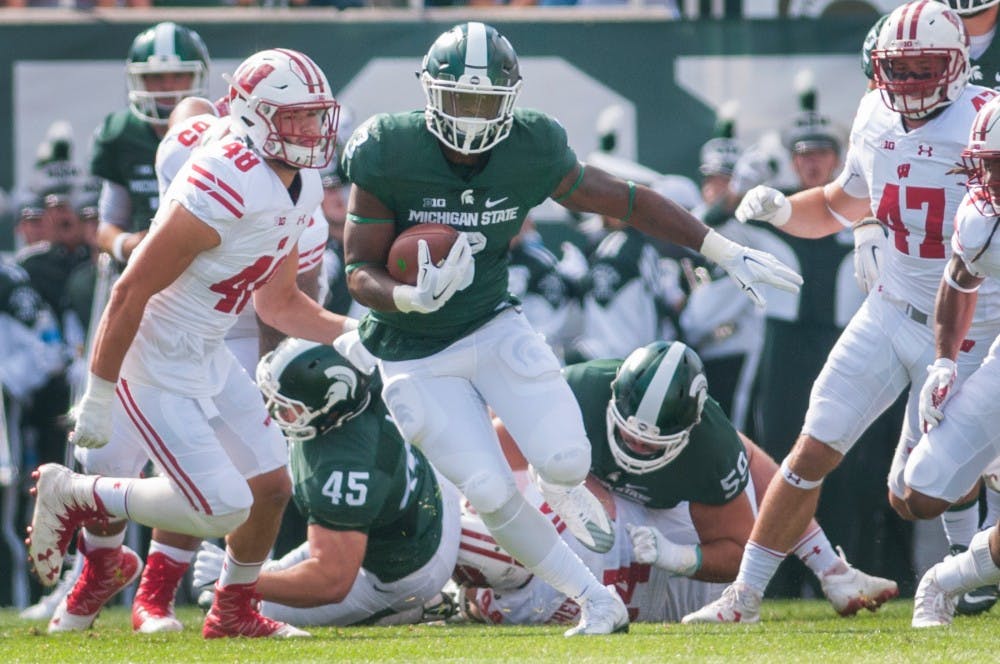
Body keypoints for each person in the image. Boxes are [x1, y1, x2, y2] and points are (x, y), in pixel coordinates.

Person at [340, 21, 801, 637]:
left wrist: (717, 248)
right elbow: (356, 268)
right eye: (460, 101)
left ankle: (563, 485)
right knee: (491, 491)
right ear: (430, 95)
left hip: (489, 324)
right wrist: (403, 295)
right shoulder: (388, 150)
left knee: (565, 457)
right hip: (410, 349)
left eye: (486, 103)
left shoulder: (531, 146)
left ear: (510, 101)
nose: (473, 119)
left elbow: (625, 199)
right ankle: (594, 600)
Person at [682, 0, 1000, 625]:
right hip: (887, 310)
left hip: (973, 325)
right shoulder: (874, 114)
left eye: (923, 69)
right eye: (896, 70)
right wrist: (780, 212)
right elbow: (839, 202)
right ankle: (743, 597)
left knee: (915, 498)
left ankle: (968, 547)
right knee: (812, 447)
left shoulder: (984, 121)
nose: (906, 86)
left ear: (959, 66)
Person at [26, 48, 352, 640]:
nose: (310, 132)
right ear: (254, 118)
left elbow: (278, 303)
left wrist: (364, 335)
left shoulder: (299, 185)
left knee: (272, 488)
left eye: (315, 116)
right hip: (155, 349)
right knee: (220, 504)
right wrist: (99, 393)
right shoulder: (221, 179)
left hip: (210, 344)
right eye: (294, 118)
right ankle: (74, 492)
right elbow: (129, 291)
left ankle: (231, 610)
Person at [458, 341, 893, 623]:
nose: (636, 449)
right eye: (630, 436)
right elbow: (490, 452)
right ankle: (830, 568)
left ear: (686, 430)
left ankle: (424, 571)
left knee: (507, 555)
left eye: (650, 444)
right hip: (622, 567)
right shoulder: (583, 391)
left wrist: (679, 556)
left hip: (635, 579)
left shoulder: (708, 450)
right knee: (495, 514)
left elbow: (742, 551)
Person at [191, 335, 461, 627]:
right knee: (238, 587)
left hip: (404, 572)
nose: (273, 410)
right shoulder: (358, 389)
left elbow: (330, 581)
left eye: (288, 406)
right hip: (415, 510)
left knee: (249, 606)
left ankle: (419, 606)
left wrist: (233, 581)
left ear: (330, 404)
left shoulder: (346, 469)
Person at [906, 93, 1000, 626]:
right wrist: (944, 361)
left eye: (998, 165)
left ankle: (947, 580)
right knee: (922, 491)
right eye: (984, 165)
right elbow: (959, 281)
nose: (987, 179)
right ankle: (940, 578)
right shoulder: (980, 218)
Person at [91, 22, 209, 265]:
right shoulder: (122, 133)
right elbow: (108, 224)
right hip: (144, 265)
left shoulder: (218, 131)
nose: (167, 86)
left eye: (178, 75)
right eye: (155, 76)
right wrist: (126, 245)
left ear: (198, 75)